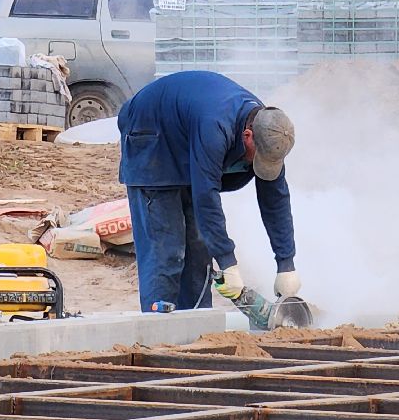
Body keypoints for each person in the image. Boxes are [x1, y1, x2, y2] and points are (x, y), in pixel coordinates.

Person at [117, 71, 298, 313]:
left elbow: (275, 200)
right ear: (247, 137)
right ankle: (157, 326)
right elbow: (206, 197)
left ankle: (198, 326)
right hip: (150, 137)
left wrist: (286, 263)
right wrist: (228, 262)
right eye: (257, 159)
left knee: (198, 255)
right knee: (166, 252)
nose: (258, 166)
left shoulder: (270, 132)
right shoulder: (215, 127)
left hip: (185, 138)